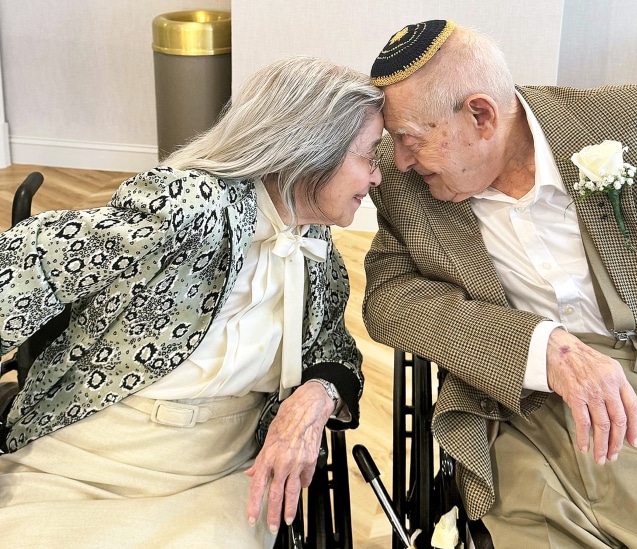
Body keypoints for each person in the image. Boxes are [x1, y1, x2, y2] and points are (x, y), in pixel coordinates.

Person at [362, 19, 637, 549]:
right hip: (520, 414)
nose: (401, 160)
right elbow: (389, 298)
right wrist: (537, 347)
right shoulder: (404, 183)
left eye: (411, 139)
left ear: (481, 115)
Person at [0, 56, 384, 547]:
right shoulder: (192, 207)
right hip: (92, 458)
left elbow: (335, 348)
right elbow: (30, 262)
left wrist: (316, 397)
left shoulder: (315, 244)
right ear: (312, 150)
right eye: (369, 156)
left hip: (223, 477)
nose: (376, 177)